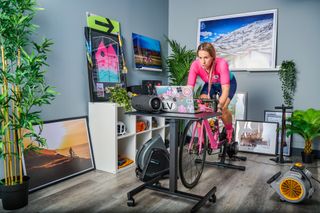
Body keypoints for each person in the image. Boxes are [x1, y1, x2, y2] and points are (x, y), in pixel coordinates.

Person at [187, 42, 237, 143]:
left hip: (228, 83)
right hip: (210, 84)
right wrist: (185, 102)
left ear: (213, 57)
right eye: (200, 57)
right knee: (202, 105)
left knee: (222, 109)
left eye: (206, 57)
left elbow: (226, 89)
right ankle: (202, 140)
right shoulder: (195, 65)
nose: (203, 62)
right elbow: (189, 88)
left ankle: (229, 129)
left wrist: (219, 106)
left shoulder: (221, 64)